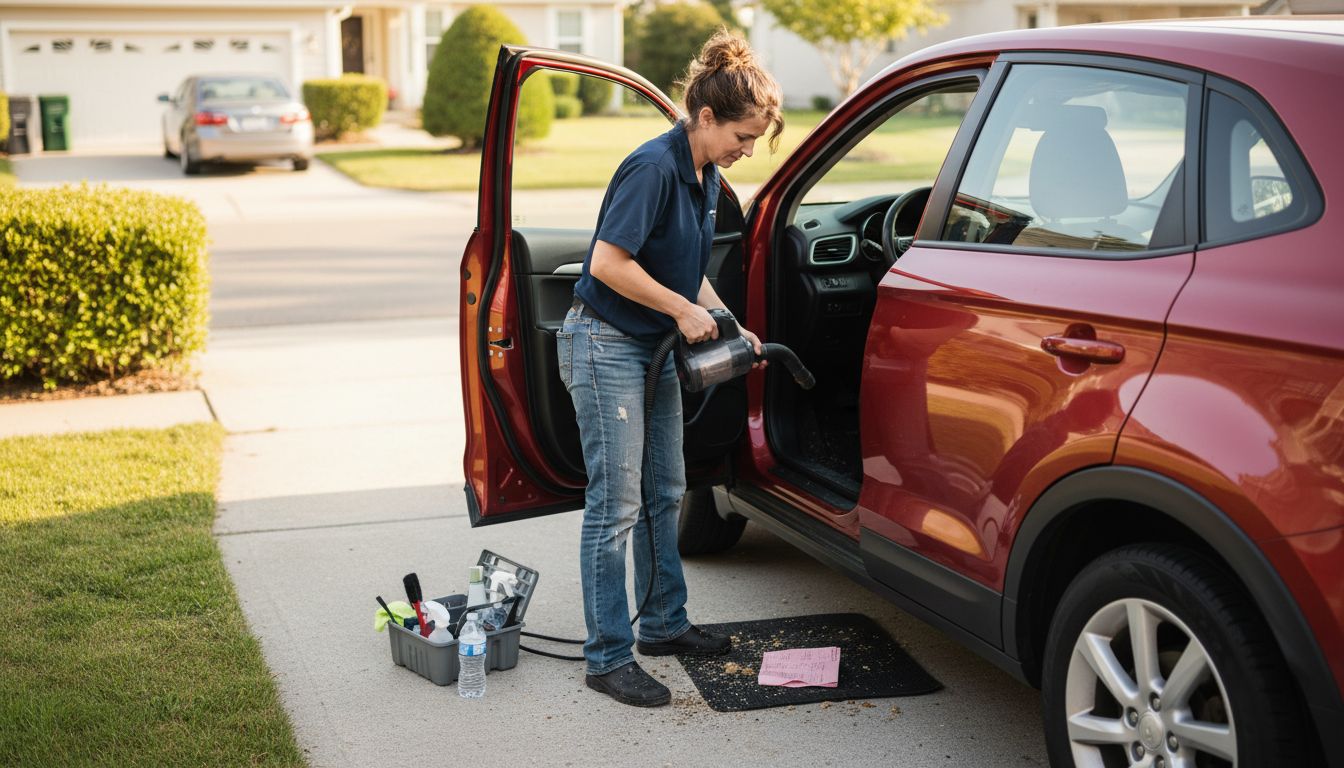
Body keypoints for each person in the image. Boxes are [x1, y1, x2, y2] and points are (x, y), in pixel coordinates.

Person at [556, 30, 784, 708]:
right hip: (605, 345)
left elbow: (687, 271)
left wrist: (729, 322)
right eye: (743, 136)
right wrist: (682, 311)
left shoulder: (705, 174)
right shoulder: (653, 168)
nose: (747, 150)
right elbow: (608, 264)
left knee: (665, 489)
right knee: (616, 506)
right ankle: (606, 658)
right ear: (706, 117)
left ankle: (662, 624)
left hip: (650, 348)